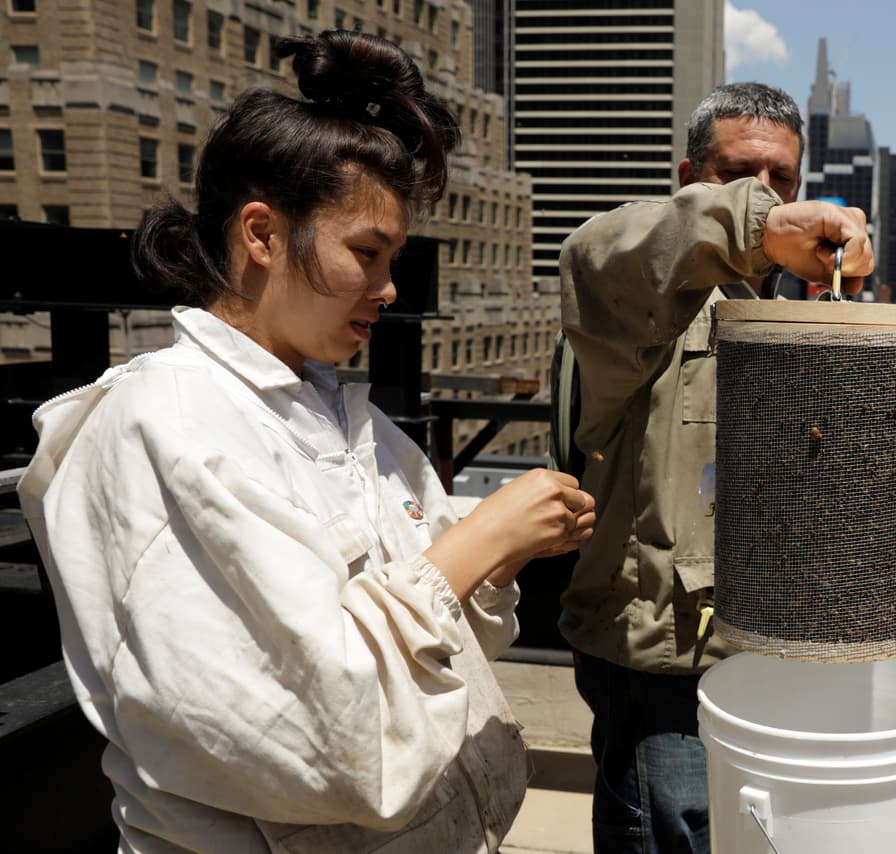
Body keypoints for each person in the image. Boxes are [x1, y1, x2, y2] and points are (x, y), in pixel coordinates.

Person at [17, 30, 595, 853]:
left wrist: (498, 555)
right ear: (260, 234)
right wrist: (480, 542)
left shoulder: (351, 418)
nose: (390, 288)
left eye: (393, 256)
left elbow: (453, 654)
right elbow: (330, 745)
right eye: (367, 251)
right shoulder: (162, 424)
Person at [557, 82, 874, 852]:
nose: (765, 195)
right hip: (664, 664)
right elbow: (597, 254)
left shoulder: (794, 305)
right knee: (673, 837)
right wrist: (758, 226)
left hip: (772, 647)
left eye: (782, 181)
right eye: (737, 174)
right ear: (688, 175)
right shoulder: (645, 297)